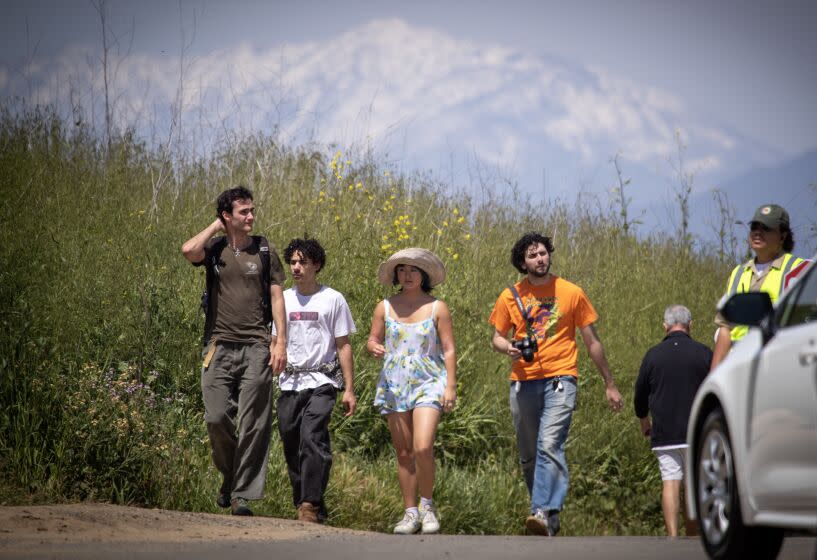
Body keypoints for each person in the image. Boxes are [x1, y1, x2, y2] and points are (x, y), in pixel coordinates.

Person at [488, 232, 623, 536]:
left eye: (543, 253)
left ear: (550, 254)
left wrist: (609, 383)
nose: (540, 259)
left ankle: (540, 511)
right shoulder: (511, 295)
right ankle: (550, 512)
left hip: (561, 377)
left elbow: (592, 341)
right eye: (532, 255)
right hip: (523, 381)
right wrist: (506, 346)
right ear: (523, 262)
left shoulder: (571, 292)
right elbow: (496, 335)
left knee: (550, 443)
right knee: (528, 453)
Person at [181, 185, 287, 516]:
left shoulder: (265, 249)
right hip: (217, 346)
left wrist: (280, 340)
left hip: (257, 345)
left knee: (254, 422)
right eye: (244, 212)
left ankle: (242, 493)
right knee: (215, 417)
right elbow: (188, 250)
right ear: (228, 216)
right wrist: (216, 226)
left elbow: (277, 297)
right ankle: (229, 479)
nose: (251, 216)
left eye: (252, 210)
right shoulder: (214, 250)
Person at [366, 248, 457, 535]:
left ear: (424, 275)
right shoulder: (384, 306)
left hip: (429, 382)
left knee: (422, 446)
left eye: (413, 270)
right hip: (394, 383)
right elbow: (372, 339)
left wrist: (451, 386)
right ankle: (410, 512)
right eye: (402, 270)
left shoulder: (437, 307)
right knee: (404, 452)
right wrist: (373, 346)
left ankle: (427, 505)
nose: (406, 275)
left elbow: (449, 348)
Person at [273, 238, 357, 524]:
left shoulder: (333, 299)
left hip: (322, 380)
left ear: (316, 265)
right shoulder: (282, 299)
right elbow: (274, 340)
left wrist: (349, 389)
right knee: (290, 439)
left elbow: (343, 345)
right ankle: (307, 501)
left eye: (302, 262)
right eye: (293, 262)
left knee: (312, 437)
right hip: (289, 382)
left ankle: (309, 504)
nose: (296, 268)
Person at [634, 305, 711, 537]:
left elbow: (640, 392)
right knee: (691, 485)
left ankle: (672, 537)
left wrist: (643, 419)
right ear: (691, 324)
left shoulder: (653, 355)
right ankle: (692, 536)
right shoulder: (705, 353)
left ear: (665, 326)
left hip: (665, 430)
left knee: (670, 481)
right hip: (696, 431)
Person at [711, 204, 808, 370]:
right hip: (739, 365)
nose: (757, 232)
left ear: (782, 236)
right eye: (754, 227)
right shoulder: (738, 273)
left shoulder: (799, 270)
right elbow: (725, 329)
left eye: (766, 228)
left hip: (777, 365)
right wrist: (713, 374)